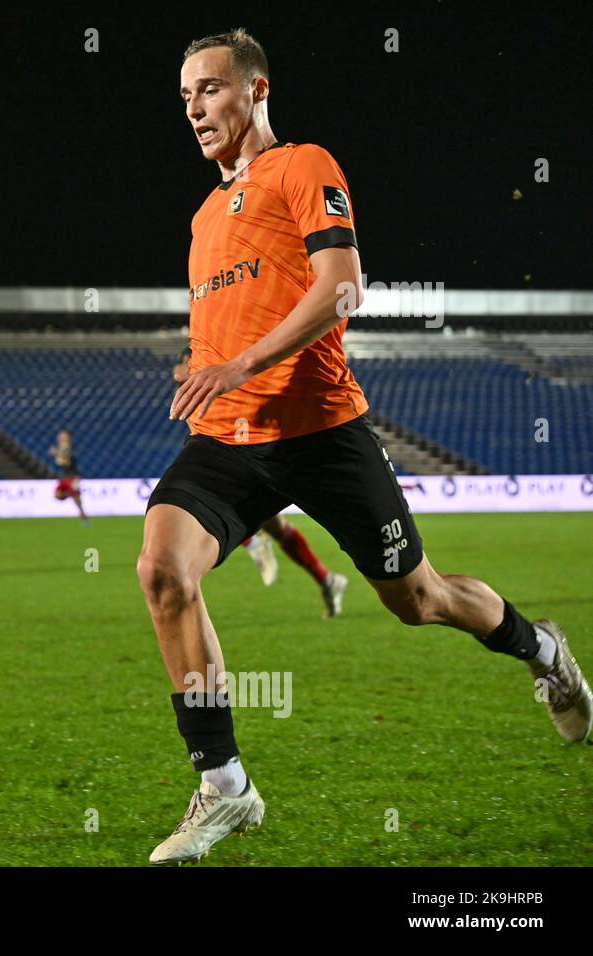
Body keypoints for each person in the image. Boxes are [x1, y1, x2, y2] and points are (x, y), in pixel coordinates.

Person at [141, 28, 589, 866]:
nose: (194, 108)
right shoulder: (204, 216)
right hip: (233, 435)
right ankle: (227, 787)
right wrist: (207, 362)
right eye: (184, 96)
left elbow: (342, 287)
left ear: (256, 89)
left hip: (324, 433)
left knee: (419, 600)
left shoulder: (305, 166)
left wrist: (240, 359)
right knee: (163, 570)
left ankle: (544, 650)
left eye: (208, 89)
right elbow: (232, 321)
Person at [174, 351, 347, 615]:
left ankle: (254, 544)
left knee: (233, 513)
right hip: (243, 459)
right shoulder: (197, 394)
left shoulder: (229, 378)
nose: (180, 375)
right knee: (275, 527)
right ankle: (327, 579)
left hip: (263, 453)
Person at [48, 429, 88, 524]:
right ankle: (73, 494)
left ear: (68, 438)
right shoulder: (61, 448)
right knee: (58, 496)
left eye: (64, 436)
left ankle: (82, 513)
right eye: (61, 435)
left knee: (76, 497)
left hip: (74, 476)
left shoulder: (68, 448)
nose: (61, 437)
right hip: (64, 476)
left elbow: (66, 462)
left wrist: (56, 455)